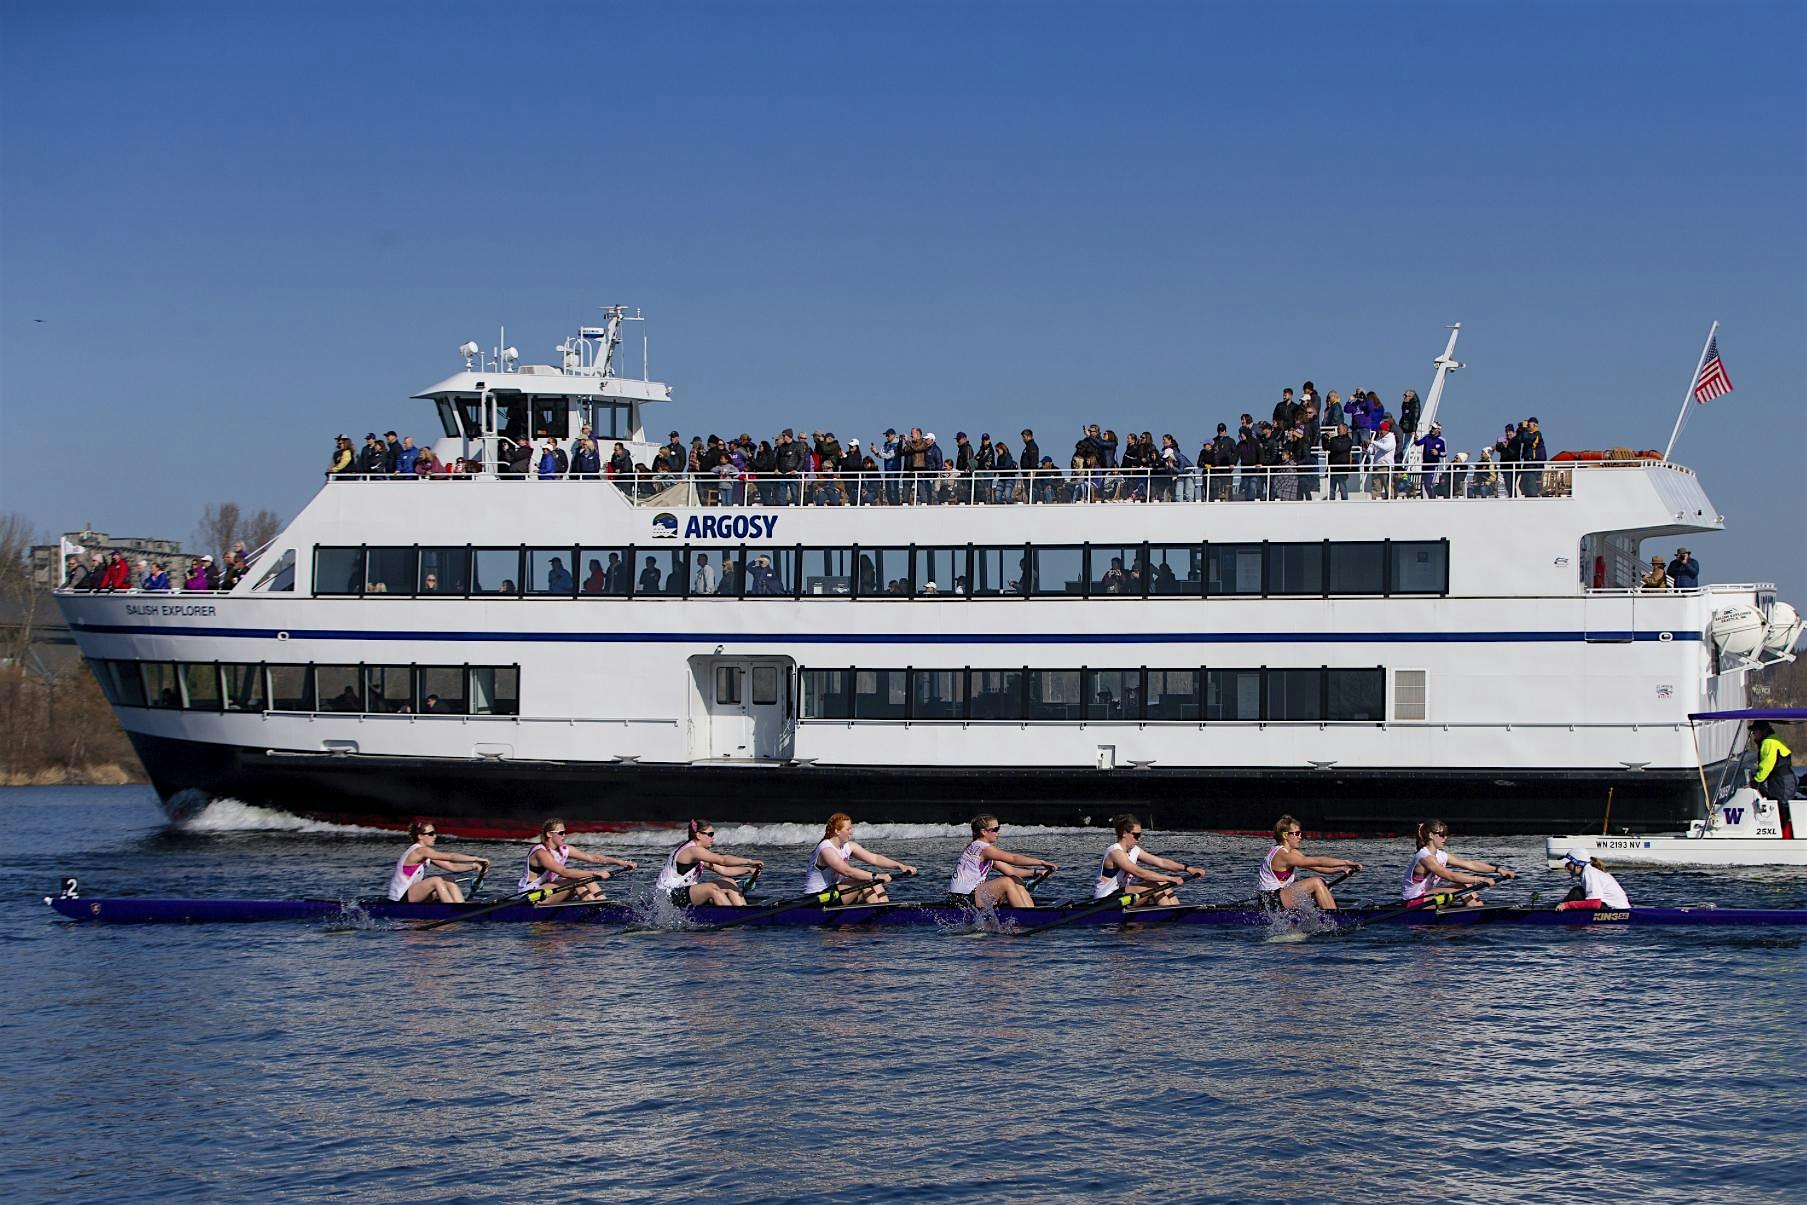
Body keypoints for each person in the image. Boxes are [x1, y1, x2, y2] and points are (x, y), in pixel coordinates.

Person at [947, 814, 1058, 909]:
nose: (998, 833)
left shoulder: (981, 849)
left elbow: (1010, 870)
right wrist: (1042, 862)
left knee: (1014, 879)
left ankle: (1030, 911)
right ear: (984, 832)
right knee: (1006, 881)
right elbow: (1013, 859)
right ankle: (1025, 915)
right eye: (995, 829)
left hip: (969, 896)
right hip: (961, 900)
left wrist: (1037, 872)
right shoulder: (983, 848)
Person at [803, 813, 918, 904]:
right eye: (848, 829)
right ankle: (880, 920)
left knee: (875, 883)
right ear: (837, 831)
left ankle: (883, 911)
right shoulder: (826, 849)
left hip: (837, 893)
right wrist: (875, 876)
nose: (851, 833)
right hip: (818, 897)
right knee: (868, 880)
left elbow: (875, 858)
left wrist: (900, 866)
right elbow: (847, 871)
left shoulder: (848, 846)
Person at [1092, 814, 1203, 906]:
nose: (1139, 838)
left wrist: (1188, 868)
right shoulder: (1115, 852)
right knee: (1156, 885)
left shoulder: (1134, 850)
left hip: (1121, 895)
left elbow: (1161, 862)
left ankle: (1175, 911)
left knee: (1162, 882)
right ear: (1124, 833)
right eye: (1136, 835)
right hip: (1105, 899)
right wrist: (1170, 878)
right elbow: (1139, 872)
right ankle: (1170, 923)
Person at [1256, 815, 1363, 911]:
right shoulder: (1283, 855)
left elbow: (1319, 867)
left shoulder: (1292, 852)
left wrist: (1343, 868)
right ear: (1285, 836)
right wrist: (1346, 861)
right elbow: (1318, 861)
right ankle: (1335, 917)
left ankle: (1330, 910)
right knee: (1316, 882)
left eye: (1300, 833)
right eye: (1297, 834)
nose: (1300, 837)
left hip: (1279, 896)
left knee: (1320, 882)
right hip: (1269, 901)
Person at [517, 818, 636, 904]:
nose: (564, 836)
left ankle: (601, 902)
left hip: (549, 891)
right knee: (578, 879)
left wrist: (622, 862)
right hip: (531, 895)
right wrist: (595, 873)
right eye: (561, 833)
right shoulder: (541, 853)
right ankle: (598, 907)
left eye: (565, 832)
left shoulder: (564, 849)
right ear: (549, 834)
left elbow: (593, 858)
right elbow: (563, 872)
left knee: (582, 880)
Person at [1400, 820, 1513, 906]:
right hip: (1412, 901)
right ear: (1431, 835)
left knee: (1466, 886)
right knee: (1462, 890)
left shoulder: (1441, 855)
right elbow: (1450, 876)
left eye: (1446, 834)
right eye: (1442, 834)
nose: (1445, 837)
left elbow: (1470, 864)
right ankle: (1478, 919)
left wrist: (1498, 870)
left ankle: (1479, 910)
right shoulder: (1424, 857)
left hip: (1426, 895)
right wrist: (1481, 879)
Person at [655, 819, 763, 906]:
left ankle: (742, 909)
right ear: (698, 835)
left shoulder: (699, 853)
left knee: (729, 882)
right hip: (668, 897)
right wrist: (750, 861)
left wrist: (748, 869)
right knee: (712, 889)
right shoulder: (692, 851)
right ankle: (732, 915)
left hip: (684, 892)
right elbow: (723, 860)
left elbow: (724, 870)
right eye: (710, 834)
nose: (713, 838)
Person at [386, 820, 489, 903]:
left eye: (435, 833)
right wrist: (476, 858)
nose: (435, 836)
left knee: (449, 880)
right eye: (431, 834)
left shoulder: (426, 854)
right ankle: (452, 911)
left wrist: (474, 866)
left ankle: (461, 906)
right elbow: (451, 856)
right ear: (420, 836)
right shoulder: (419, 851)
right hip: (399, 899)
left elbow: (452, 867)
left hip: (411, 895)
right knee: (436, 880)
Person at [1556, 850, 1630, 910]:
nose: (1566, 866)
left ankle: (1557, 914)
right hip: (1618, 908)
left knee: (1576, 892)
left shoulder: (1589, 873)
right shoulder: (1591, 871)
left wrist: (1567, 905)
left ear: (1578, 865)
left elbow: (1595, 904)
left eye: (1568, 864)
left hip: (1616, 910)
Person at [1750, 721, 1798, 808]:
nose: (1754, 735)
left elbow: (1767, 765)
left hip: (1781, 782)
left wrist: (1756, 781)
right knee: (1781, 807)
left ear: (1761, 731)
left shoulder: (1768, 742)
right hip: (1785, 780)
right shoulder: (1774, 739)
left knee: (1781, 807)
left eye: (1754, 732)